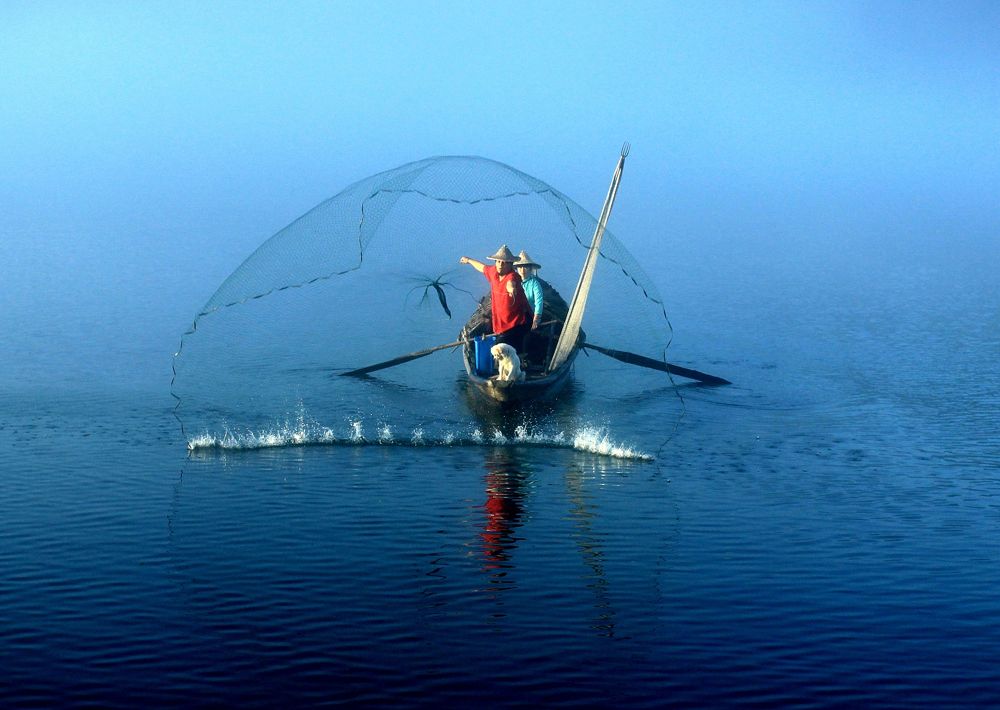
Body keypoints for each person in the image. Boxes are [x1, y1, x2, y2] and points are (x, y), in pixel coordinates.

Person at [459, 244, 531, 350]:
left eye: (504, 263)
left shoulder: (513, 276)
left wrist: (511, 289)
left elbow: (511, 283)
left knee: (502, 350)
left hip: (517, 324)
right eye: (498, 262)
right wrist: (469, 260)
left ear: (510, 265)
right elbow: (482, 267)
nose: (500, 265)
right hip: (500, 324)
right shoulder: (494, 272)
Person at [513, 251, 543, 331]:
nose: (522, 270)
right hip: (516, 316)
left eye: (525, 267)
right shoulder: (514, 282)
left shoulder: (535, 284)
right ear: (516, 269)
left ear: (530, 268)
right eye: (520, 267)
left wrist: (536, 319)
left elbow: (538, 302)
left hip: (529, 316)